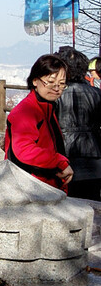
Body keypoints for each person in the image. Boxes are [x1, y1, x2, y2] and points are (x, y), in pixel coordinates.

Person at [3, 54, 73, 192]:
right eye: (51, 82)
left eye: (62, 83)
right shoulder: (26, 111)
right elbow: (24, 149)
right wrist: (59, 162)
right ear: (35, 81)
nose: (56, 88)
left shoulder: (47, 107)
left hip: (45, 186)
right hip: (31, 189)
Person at [54, 47, 101, 201]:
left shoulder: (56, 95)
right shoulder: (96, 93)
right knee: (92, 206)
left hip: (65, 156)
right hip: (94, 156)